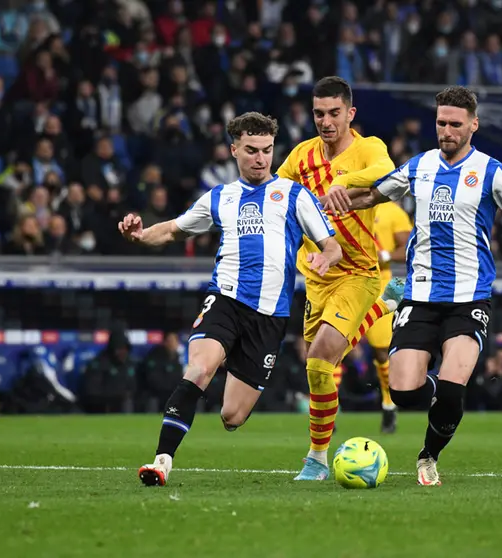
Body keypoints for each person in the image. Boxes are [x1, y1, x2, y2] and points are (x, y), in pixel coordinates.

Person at [325, 86, 502, 485]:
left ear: (474, 125)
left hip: (468, 299)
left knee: (454, 389)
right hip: (418, 296)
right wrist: (338, 198)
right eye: (441, 122)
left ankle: (428, 456)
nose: (447, 131)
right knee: (404, 392)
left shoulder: (491, 172)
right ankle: (438, 388)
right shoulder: (418, 167)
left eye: (456, 124)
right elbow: (371, 194)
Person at [119, 112, 341, 486]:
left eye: (267, 150)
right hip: (224, 300)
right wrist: (141, 236)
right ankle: (161, 461)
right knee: (200, 369)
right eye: (251, 150)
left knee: (232, 417)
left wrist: (324, 257)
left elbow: (331, 245)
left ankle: (229, 365)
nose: (260, 158)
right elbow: (173, 230)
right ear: (233, 149)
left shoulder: (294, 195)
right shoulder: (219, 198)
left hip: (269, 318)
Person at [276, 76, 405, 481]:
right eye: (319, 113)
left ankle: (316, 457)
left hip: (358, 272)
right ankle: (385, 307)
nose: (326, 121)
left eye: (334, 113)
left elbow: (386, 169)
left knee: (319, 360)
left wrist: (342, 181)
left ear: (350, 113)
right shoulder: (300, 156)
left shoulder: (367, 148)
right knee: (317, 364)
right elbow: (276, 196)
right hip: (316, 277)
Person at [361, 201, 412, 432]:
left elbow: (410, 246)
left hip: (379, 282)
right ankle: (328, 408)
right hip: (343, 280)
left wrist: (385, 254)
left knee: (382, 350)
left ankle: (389, 404)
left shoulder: (392, 210)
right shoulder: (346, 203)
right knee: (335, 348)